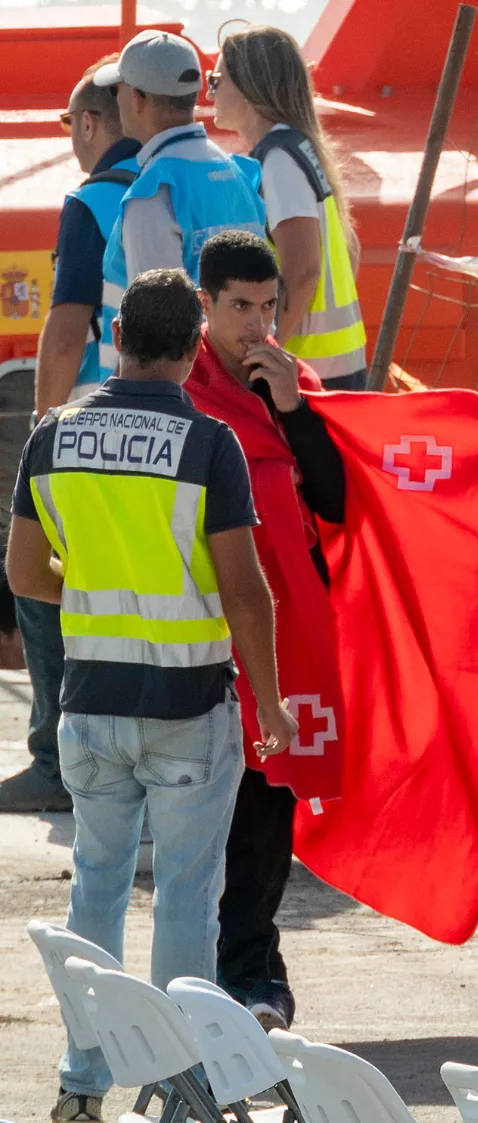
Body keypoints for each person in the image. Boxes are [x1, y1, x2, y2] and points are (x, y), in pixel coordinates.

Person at [9, 268, 296, 1123]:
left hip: (91, 706)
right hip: (186, 710)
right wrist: (273, 704)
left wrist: (105, 591)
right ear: (191, 345)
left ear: (119, 340)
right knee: (186, 897)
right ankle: (183, 1084)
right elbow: (245, 591)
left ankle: (81, 1081)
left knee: (93, 894)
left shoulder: (53, 437)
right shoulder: (209, 444)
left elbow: (26, 573)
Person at [187, 229, 349, 1032]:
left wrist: (293, 408)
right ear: (205, 305)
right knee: (219, 813)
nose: (257, 325)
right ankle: (232, 973)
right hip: (208, 629)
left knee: (267, 805)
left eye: (267, 307)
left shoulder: (296, 384)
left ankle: (253, 972)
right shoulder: (179, 386)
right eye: (240, 307)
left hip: (290, 632)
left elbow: (339, 502)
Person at [0, 57, 141, 815]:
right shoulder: (194, 184)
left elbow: (63, 332)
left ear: (89, 124)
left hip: (91, 420)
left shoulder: (90, 199)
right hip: (179, 422)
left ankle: (56, 759)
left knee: (40, 575)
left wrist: (42, 430)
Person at [94, 29, 265, 389]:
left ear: (138, 99)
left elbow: (156, 335)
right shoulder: (238, 173)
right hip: (241, 386)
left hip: (187, 399)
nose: (116, 100)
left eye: (117, 90)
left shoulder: (154, 193)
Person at [210, 26, 368, 387]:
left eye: (216, 80)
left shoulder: (279, 161)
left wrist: (266, 352)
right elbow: (349, 252)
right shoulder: (297, 150)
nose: (210, 91)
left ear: (250, 88)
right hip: (331, 368)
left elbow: (304, 272)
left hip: (306, 375)